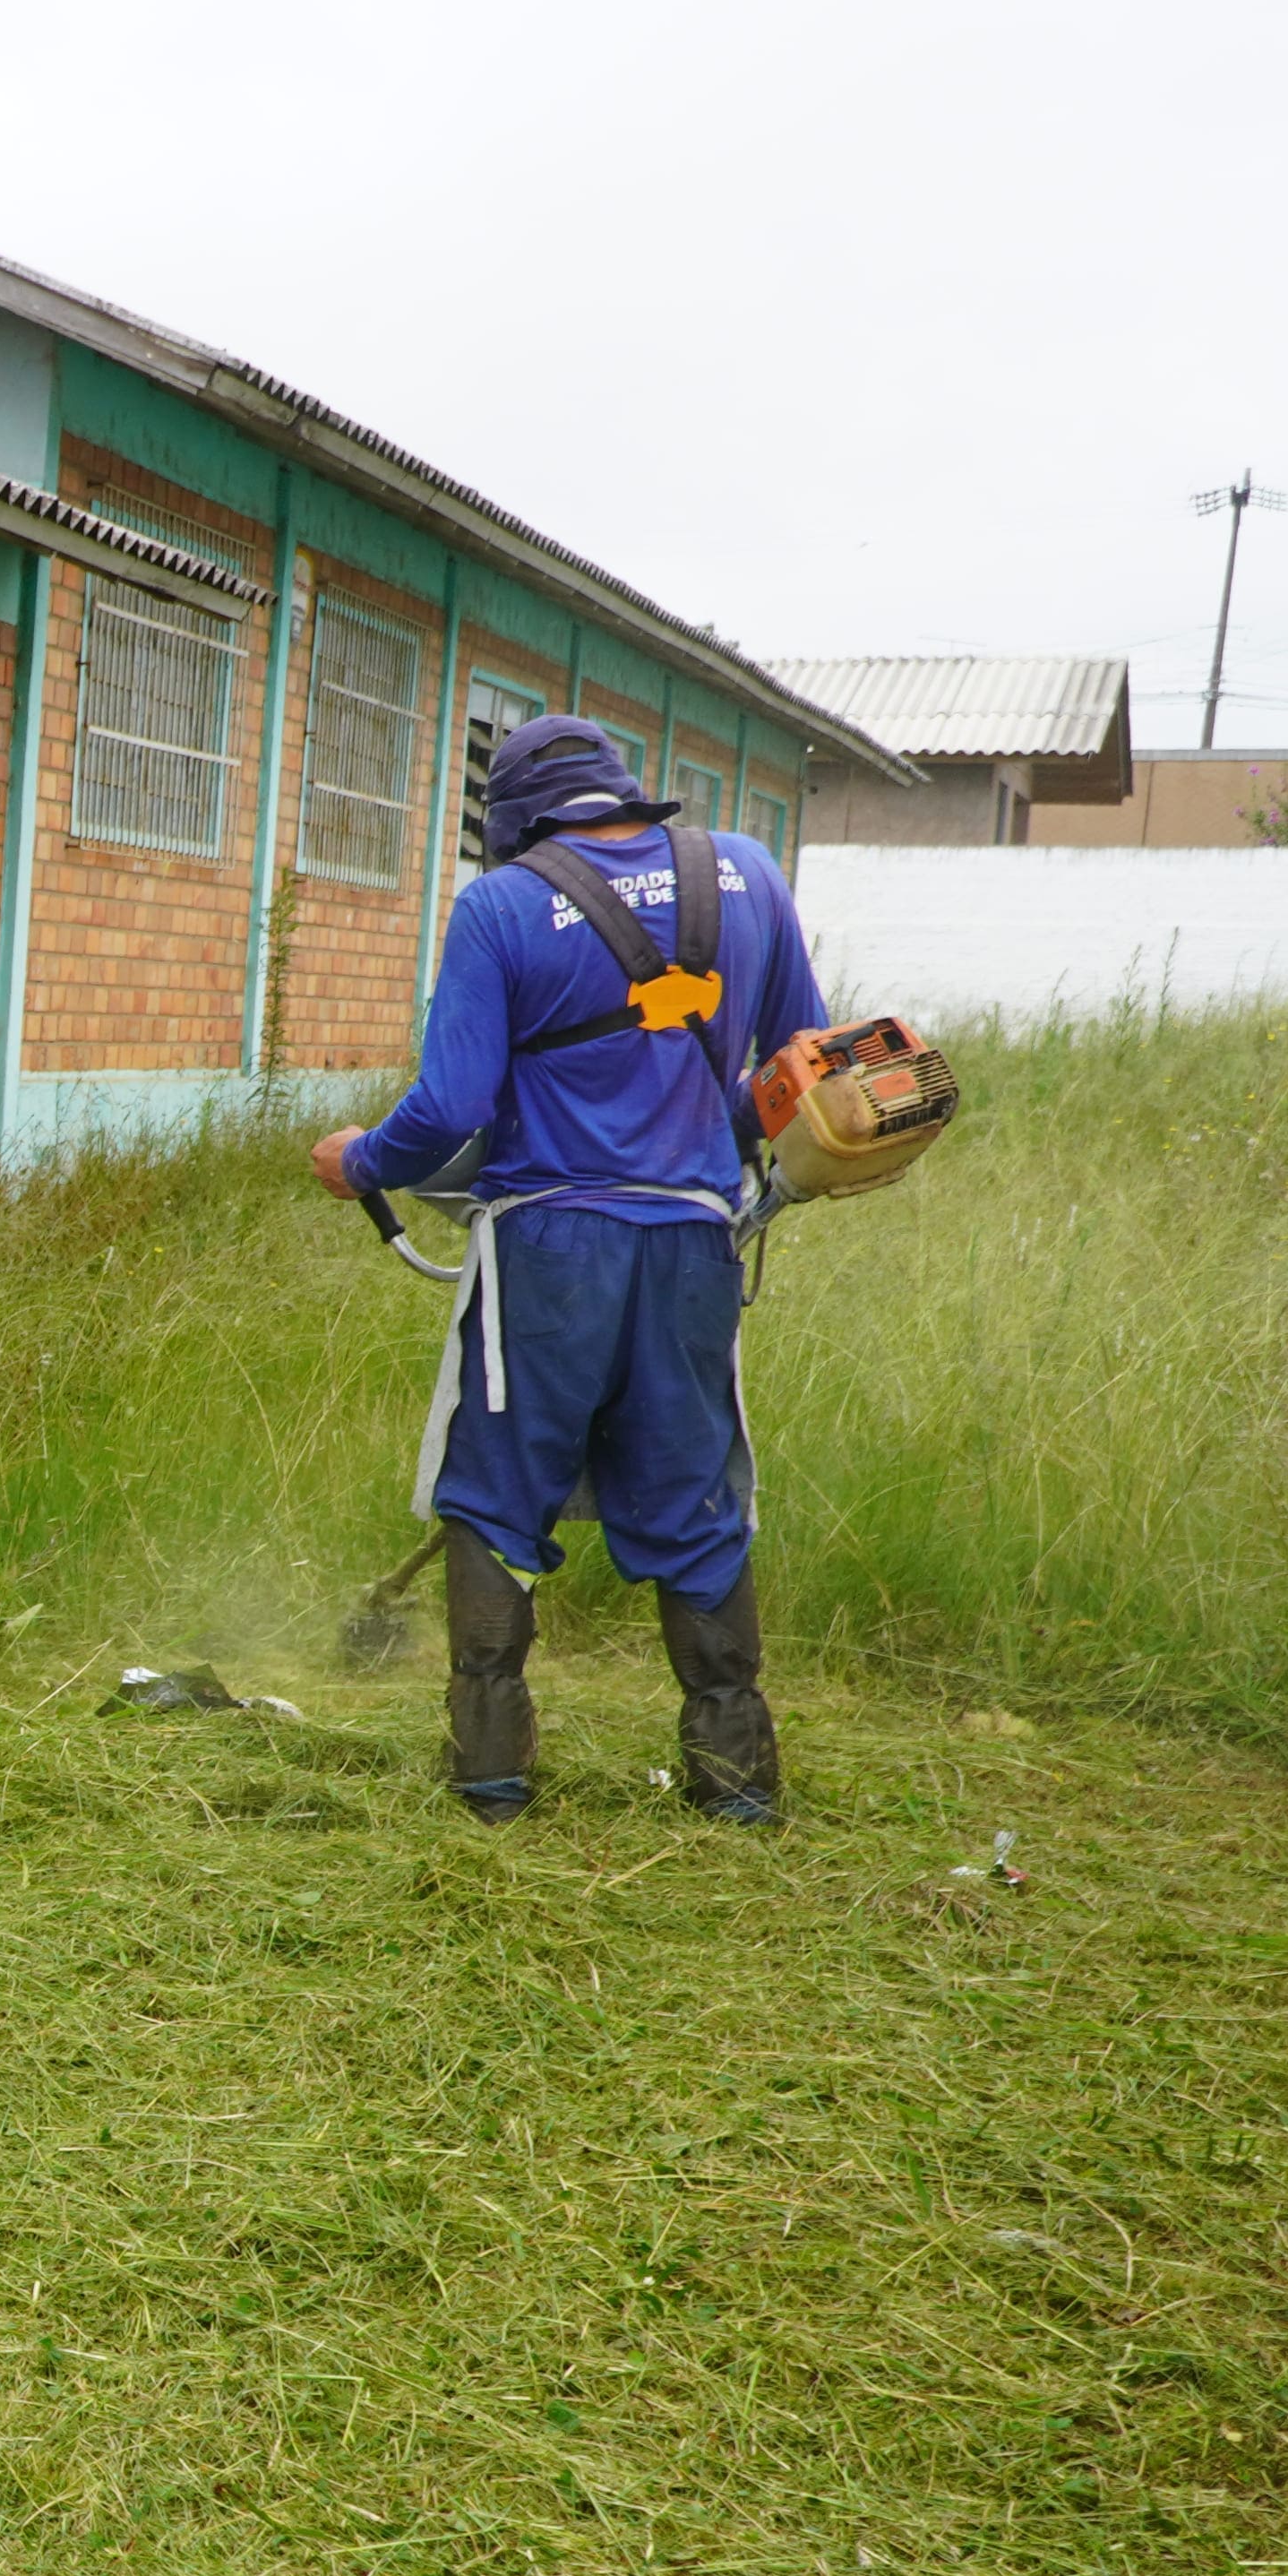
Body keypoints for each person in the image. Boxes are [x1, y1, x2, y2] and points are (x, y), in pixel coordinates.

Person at [311, 711, 829, 1825]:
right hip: (692, 1245)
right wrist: (690, 1128)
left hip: (545, 1250)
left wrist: (359, 1161)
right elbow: (798, 1069)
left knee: (496, 1491)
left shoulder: (498, 907)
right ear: (622, 791)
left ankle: (492, 1781)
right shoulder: (746, 873)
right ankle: (737, 1787)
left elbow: (449, 1109)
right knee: (695, 1491)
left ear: (514, 819)